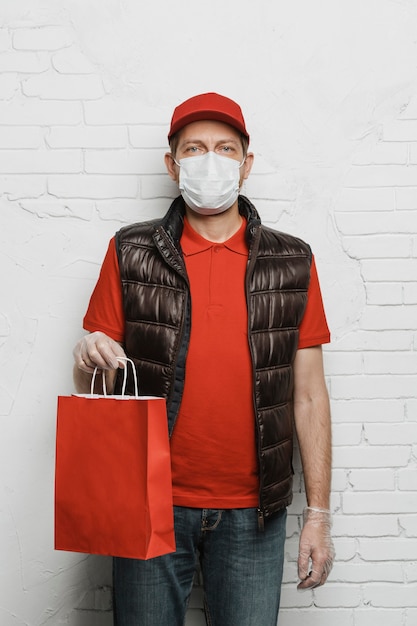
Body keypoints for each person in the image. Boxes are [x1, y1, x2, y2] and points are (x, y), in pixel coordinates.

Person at [72, 92, 335, 626]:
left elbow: (308, 395)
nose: (209, 160)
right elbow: (93, 374)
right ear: (172, 165)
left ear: (246, 163)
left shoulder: (292, 261)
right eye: (193, 148)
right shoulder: (130, 251)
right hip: (147, 502)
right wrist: (86, 352)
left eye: (224, 148)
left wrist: (320, 516)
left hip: (255, 513)